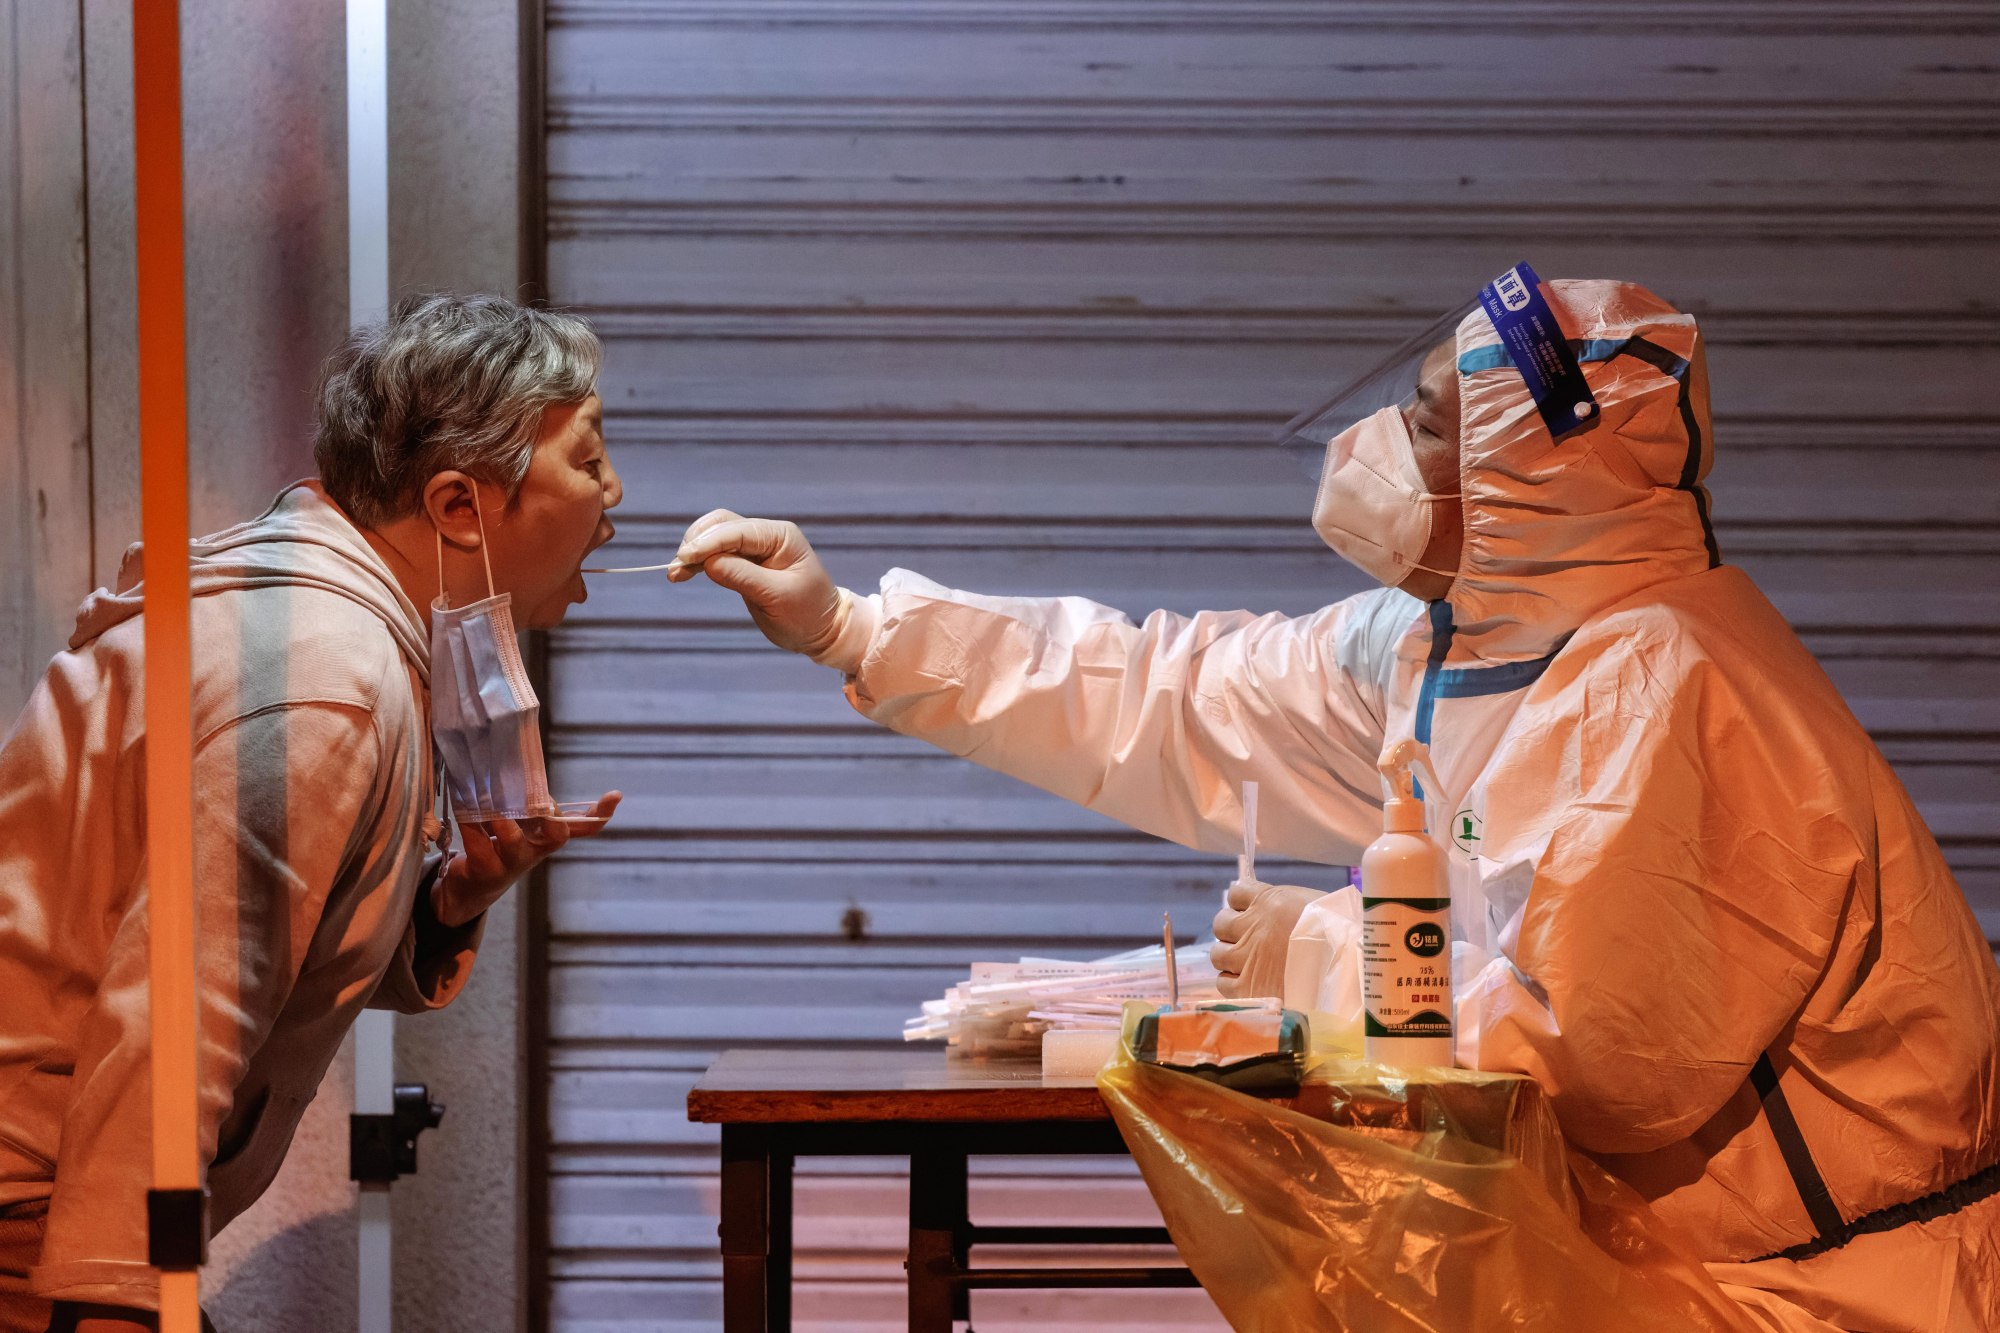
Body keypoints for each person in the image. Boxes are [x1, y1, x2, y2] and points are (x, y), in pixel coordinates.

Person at [674, 277, 2000, 1330]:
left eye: (1430, 419)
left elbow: (1606, 1065)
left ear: (1533, 467)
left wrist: (1324, 954)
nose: (1381, 448)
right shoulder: (1460, 647)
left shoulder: (1669, 684)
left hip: (1822, 1291)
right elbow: (1175, 690)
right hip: (1662, 1267)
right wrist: (856, 629)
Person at [0, 293, 623, 1333]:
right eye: (589, 457)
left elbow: (235, 938)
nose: (614, 495)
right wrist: (120, 1298)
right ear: (460, 506)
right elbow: (174, 1013)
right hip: (38, 1225)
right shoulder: (322, 675)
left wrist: (450, 894)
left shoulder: (321, 624)